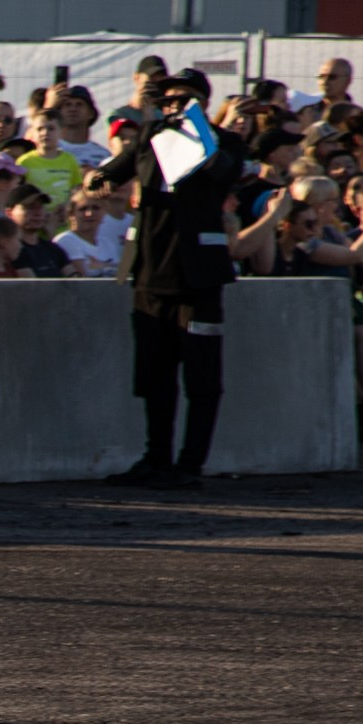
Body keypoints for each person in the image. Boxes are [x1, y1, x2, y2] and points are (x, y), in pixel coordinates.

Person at [88, 69, 245, 490]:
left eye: (186, 99)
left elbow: (224, 171)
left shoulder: (222, 142)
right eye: (170, 98)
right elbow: (110, 172)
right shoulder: (150, 135)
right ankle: (155, 457)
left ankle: (190, 464)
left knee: (201, 377)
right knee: (154, 376)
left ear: (204, 103)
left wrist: (196, 132)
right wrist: (98, 182)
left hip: (198, 279)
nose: (175, 105)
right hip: (150, 275)